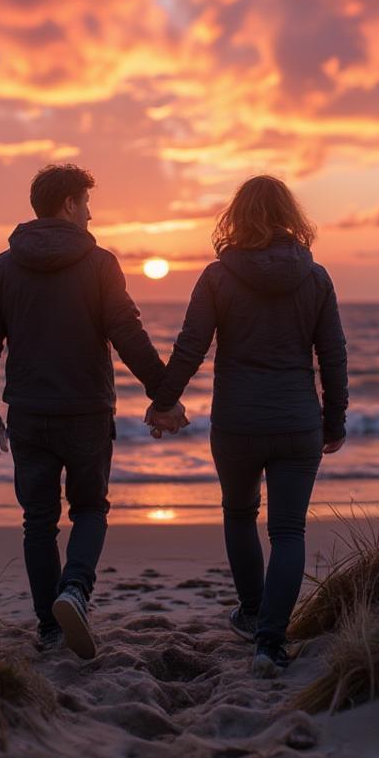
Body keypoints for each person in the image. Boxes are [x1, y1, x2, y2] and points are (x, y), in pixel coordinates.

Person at [0, 164, 186, 658]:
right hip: (86, 413)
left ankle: (49, 627)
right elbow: (128, 333)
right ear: (69, 204)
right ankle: (75, 591)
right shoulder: (99, 264)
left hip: (27, 414)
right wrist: (165, 395)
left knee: (38, 521)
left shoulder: (2, 267)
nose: (91, 214)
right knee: (89, 508)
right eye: (87, 203)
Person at [146, 175, 347, 677]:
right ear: (290, 217)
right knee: (287, 530)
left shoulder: (218, 277)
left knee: (239, 515)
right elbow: (333, 358)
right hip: (297, 420)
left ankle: (253, 613)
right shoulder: (316, 277)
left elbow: (190, 346)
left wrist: (164, 402)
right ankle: (270, 641)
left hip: (236, 422)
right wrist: (334, 420)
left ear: (236, 217)